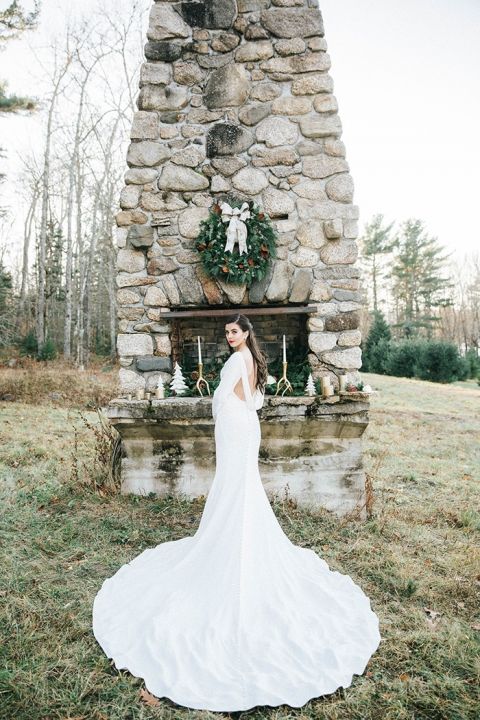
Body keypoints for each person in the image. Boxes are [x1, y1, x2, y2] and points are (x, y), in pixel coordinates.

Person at [92, 313, 381, 711]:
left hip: (237, 426)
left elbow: (229, 399)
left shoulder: (239, 359)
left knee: (236, 486)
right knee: (237, 485)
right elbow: (255, 399)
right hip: (243, 425)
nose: (229, 336)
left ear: (246, 333)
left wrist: (224, 413)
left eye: (235, 331)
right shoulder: (251, 360)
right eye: (227, 331)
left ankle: (232, 542)